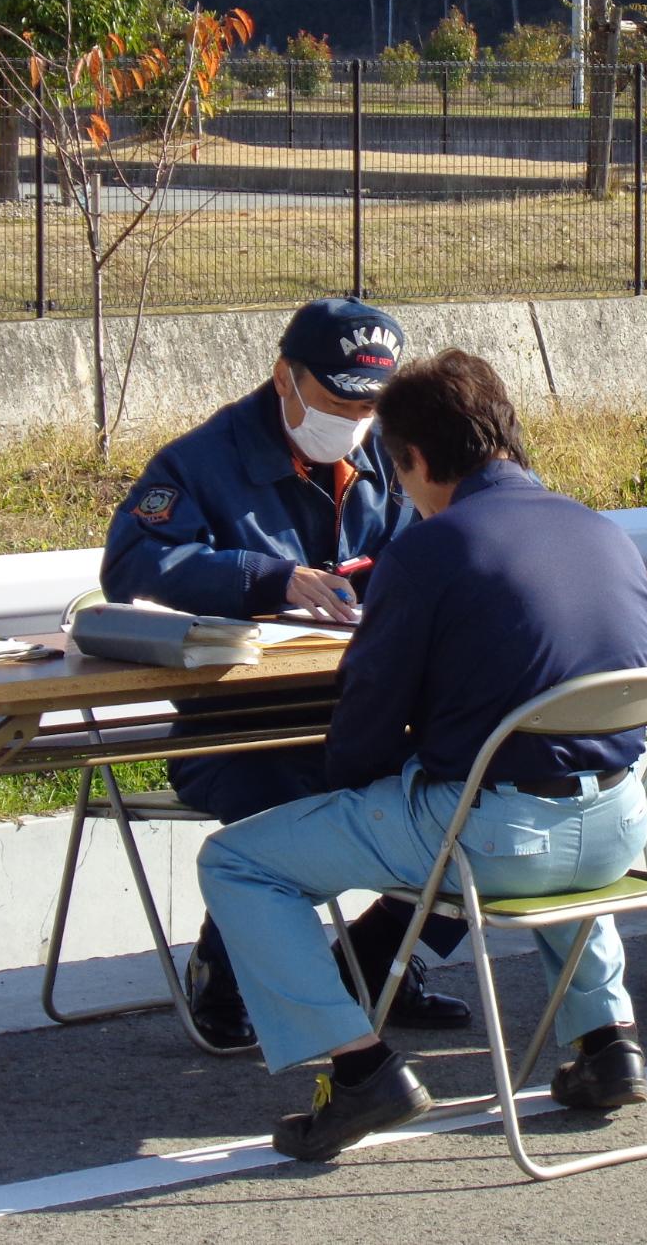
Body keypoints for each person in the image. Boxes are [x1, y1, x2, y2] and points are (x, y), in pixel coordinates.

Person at [196, 348, 647, 1162]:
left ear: (410, 459)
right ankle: (607, 1041)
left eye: (396, 471)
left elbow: (370, 719)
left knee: (238, 861)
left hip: (491, 839)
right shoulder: (604, 532)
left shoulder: (430, 550)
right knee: (550, 813)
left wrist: (345, 791)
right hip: (619, 830)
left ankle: (360, 1069)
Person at [101, 298, 470, 1048]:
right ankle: (227, 964)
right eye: (338, 402)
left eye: (372, 406)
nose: (357, 421)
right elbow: (131, 561)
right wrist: (268, 579)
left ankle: (379, 962)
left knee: (480, 801)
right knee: (272, 802)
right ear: (285, 379)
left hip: (365, 710)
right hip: (237, 727)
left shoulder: (395, 454)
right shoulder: (202, 460)